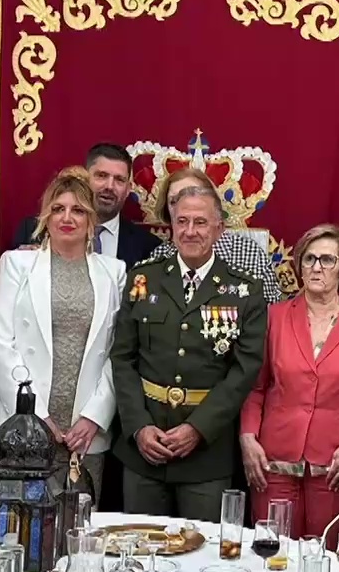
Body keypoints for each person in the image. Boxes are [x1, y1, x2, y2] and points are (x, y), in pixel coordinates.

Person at [110, 180, 268, 521]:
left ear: (219, 228)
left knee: (200, 555)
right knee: (141, 552)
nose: (190, 231)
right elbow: (122, 358)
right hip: (144, 450)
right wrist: (138, 427)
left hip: (206, 455)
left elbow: (244, 371)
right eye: (182, 221)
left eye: (200, 222)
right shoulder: (143, 280)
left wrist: (197, 428)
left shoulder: (244, 291)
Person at [240, 224, 339, 540]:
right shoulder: (275, 317)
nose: (315, 267)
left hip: (337, 467)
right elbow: (254, 385)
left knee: (329, 562)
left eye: (327, 260)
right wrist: (247, 436)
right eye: (308, 259)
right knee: (273, 559)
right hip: (273, 463)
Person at [0, 168, 127, 493]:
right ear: (45, 217)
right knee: (26, 526)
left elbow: (117, 351)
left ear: (92, 219)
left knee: (80, 525)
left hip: (86, 431)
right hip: (27, 421)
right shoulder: (16, 265)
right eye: (58, 208)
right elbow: (1, 342)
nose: (67, 217)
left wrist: (95, 416)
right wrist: (35, 416)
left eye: (78, 210)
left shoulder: (114, 272)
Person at [10, 142, 159, 266]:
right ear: (85, 180)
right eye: (101, 176)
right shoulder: (32, 231)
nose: (109, 186)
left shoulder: (148, 246)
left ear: (128, 189)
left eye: (119, 180)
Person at [149, 167, 284, 302]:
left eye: (194, 195)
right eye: (174, 201)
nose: (186, 205)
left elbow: (270, 312)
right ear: (166, 209)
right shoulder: (159, 257)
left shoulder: (248, 253)